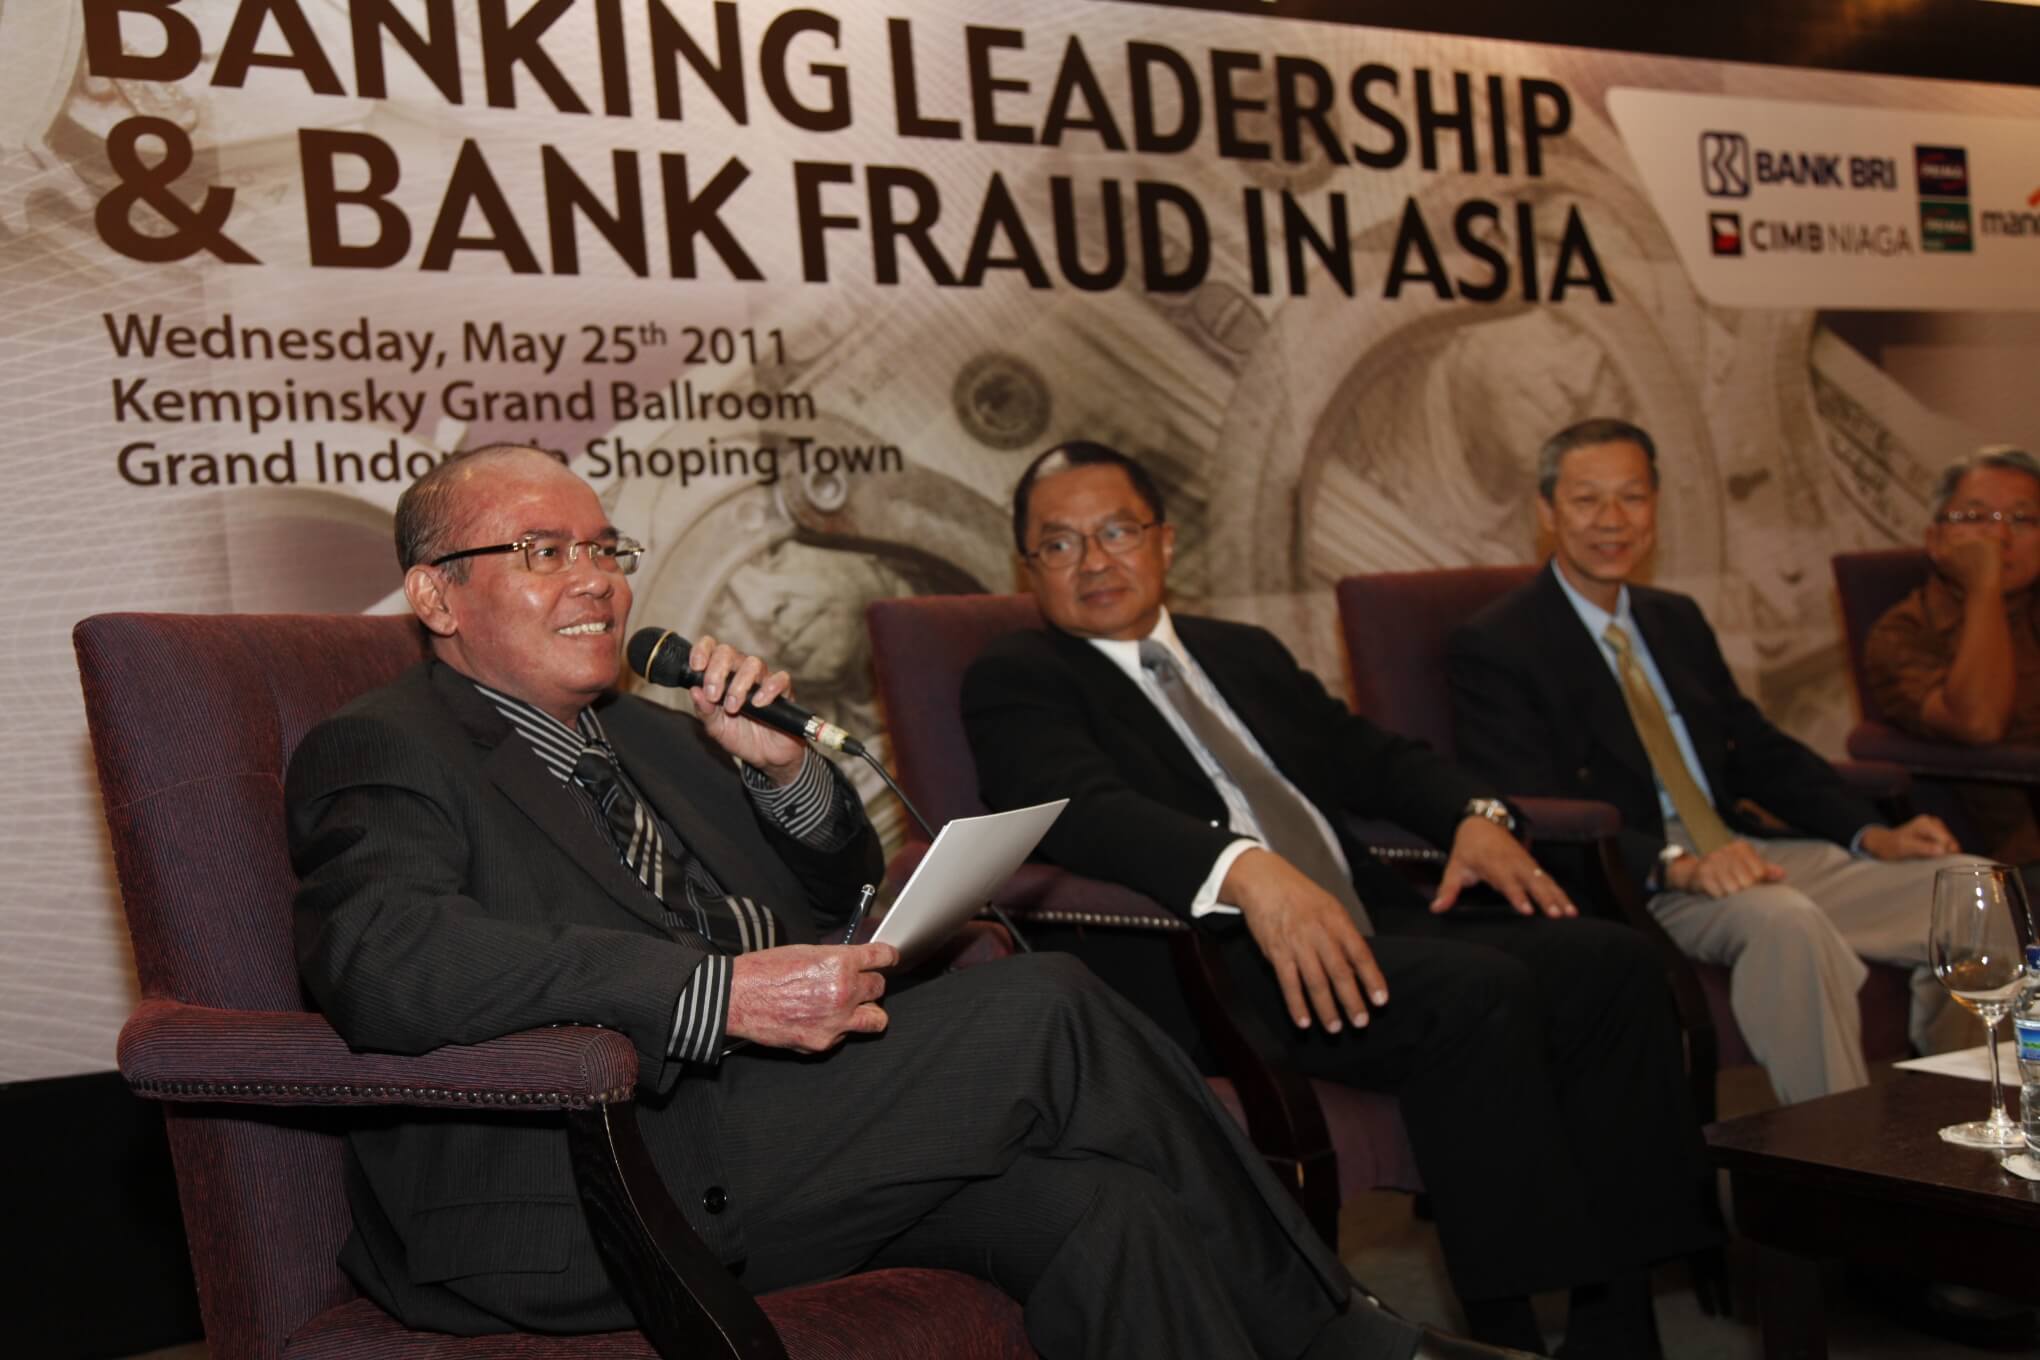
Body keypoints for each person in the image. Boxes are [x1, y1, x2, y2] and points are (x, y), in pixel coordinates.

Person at [288, 443, 1529, 1360]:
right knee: (1045, 1003)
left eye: (606, 550)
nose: (597, 582)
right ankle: (1339, 1337)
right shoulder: (387, 745)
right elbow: (384, 958)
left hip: (769, 1125)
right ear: (436, 596)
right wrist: (713, 995)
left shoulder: (655, 735)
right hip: (588, 1180)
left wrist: (782, 774)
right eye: (542, 552)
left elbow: (832, 887)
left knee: (1107, 1208)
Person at [961, 441, 1715, 1360]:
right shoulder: (1018, 677)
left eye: (1116, 531)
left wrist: (1473, 814)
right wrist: (1244, 869)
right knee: (1477, 991)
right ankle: (1507, 1330)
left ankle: (1619, 1323)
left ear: (1164, 541)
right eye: (1060, 544)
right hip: (1227, 967)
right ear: (1029, 568)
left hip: (1371, 920)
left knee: (1612, 962)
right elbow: (1081, 806)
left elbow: (1372, 758)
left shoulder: (1240, 652)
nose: (1093, 561)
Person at [1446, 418, 1980, 1108]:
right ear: (1547, 512)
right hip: (1636, 875)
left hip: (1741, 847)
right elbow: (1528, 803)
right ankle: (1837, 1159)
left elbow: (1755, 749)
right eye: (1586, 500)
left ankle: (1960, 1116)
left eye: (1632, 497)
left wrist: (1870, 832)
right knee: (1785, 922)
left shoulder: (1675, 618)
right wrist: (1679, 865)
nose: (1612, 520)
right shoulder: (1498, 643)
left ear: (1655, 507)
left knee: (1971, 895)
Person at [1865, 445, 2040, 865]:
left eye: (2021, 519)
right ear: (1935, 539)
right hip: (2015, 850)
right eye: (1975, 517)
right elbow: (1979, 722)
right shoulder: (1903, 632)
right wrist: (1984, 588)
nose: (1999, 537)